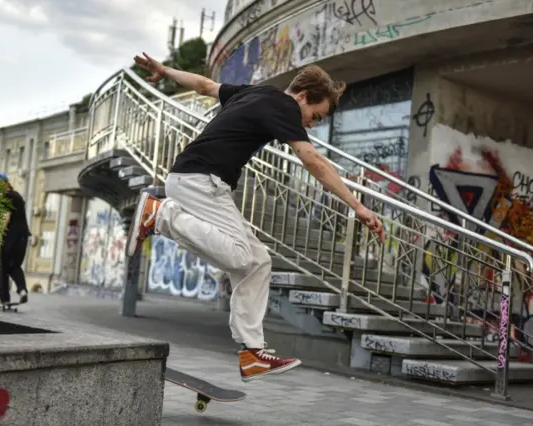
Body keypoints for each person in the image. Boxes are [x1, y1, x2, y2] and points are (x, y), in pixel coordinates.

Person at [125, 53, 385, 382]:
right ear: (303, 96)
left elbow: (204, 85)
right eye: (315, 116)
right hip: (201, 181)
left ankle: (251, 353)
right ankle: (160, 215)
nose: (311, 124)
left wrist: (165, 72)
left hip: (194, 177)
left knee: (259, 260)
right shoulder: (286, 108)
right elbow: (314, 162)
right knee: (241, 255)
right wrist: (357, 206)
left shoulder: (253, 92)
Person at [0, 173, 31, 305]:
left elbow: (6, 217)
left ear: (5, 183)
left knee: (2, 267)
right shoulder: (17, 196)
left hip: (10, 237)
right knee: (14, 266)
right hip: (23, 237)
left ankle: (4, 298)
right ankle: (22, 291)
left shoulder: (6, 197)